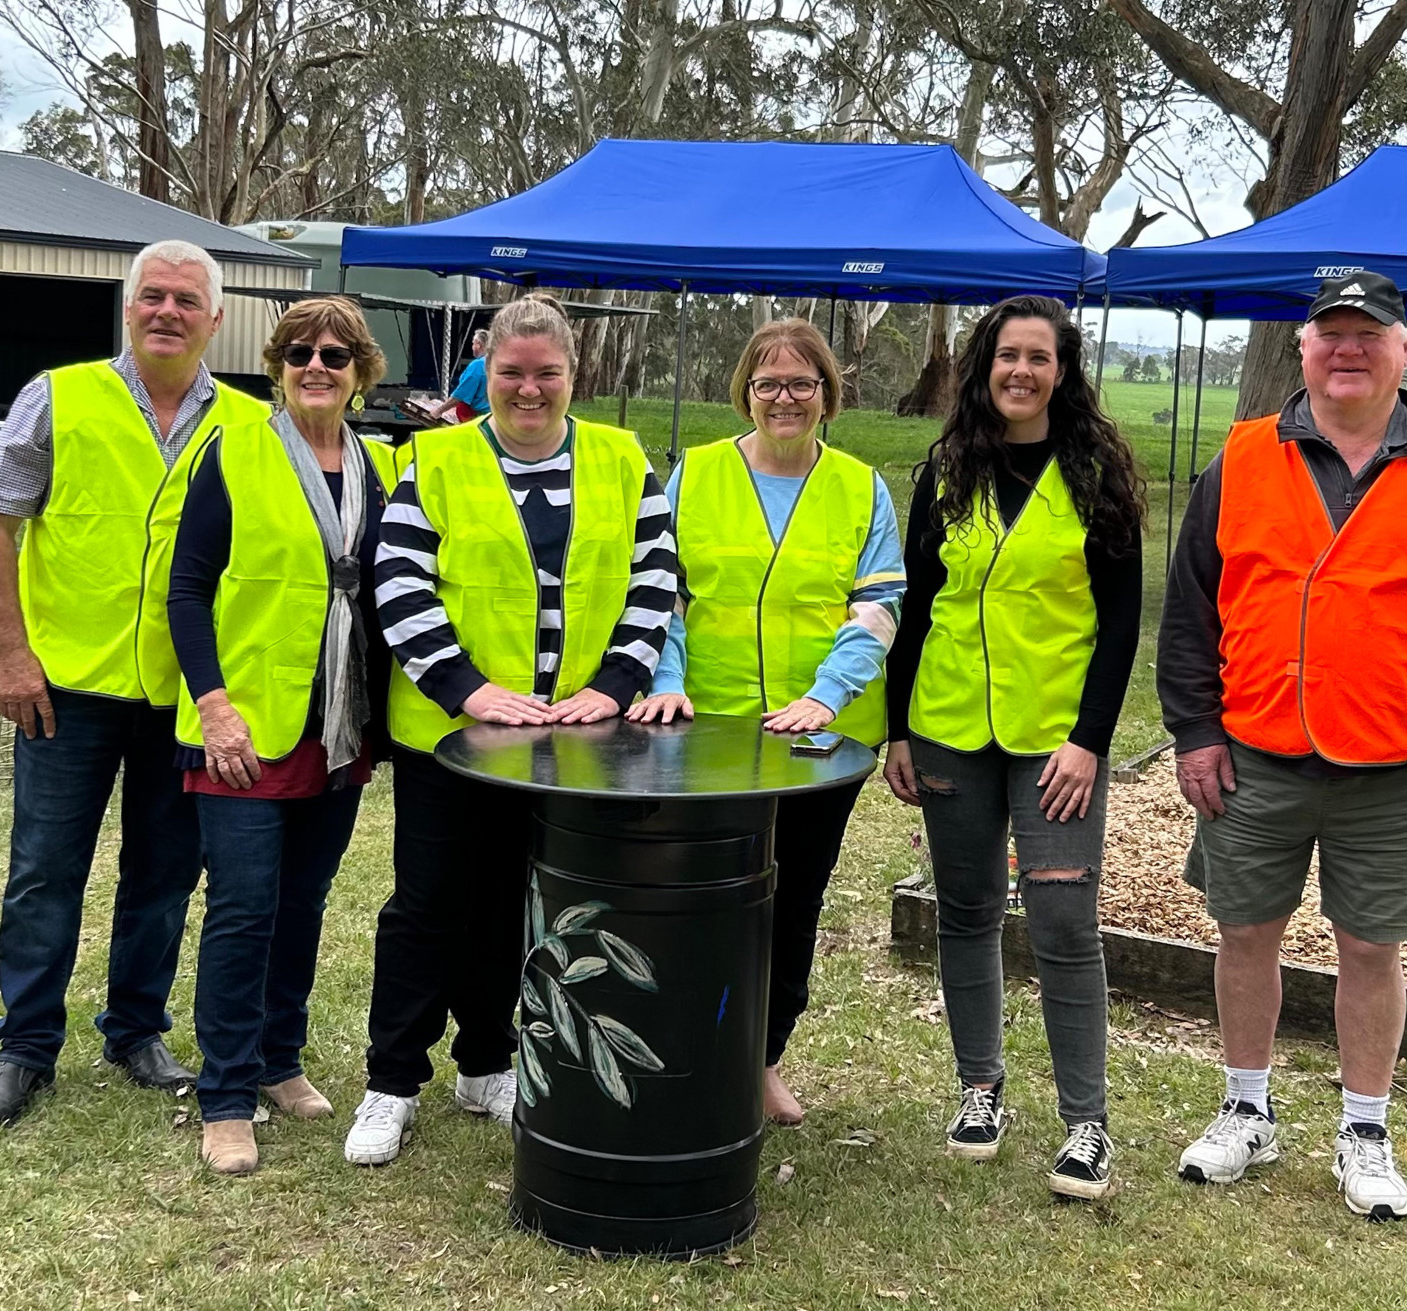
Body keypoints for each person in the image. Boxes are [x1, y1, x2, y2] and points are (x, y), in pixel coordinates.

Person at [1158, 271, 1407, 1219]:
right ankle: (1246, 1107)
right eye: (1330, 335)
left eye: (1369, 334)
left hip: (1394, 765)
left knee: (1371, 946)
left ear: (1406, 351)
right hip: (1254, 753)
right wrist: (1193, 730)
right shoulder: (1239, 459)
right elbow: (1190, 607)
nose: (1347, 349)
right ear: (1302, 349)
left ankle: (1365, 1129)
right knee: (1245, 934)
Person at [346, 293, 677, 1165]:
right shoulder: (438, 457)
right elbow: (399, 581)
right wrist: (468, 688)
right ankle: (390, 1081)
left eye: (547, 374)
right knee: (428, 905)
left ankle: (487, 1060)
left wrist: (614, 684)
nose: (528, 390)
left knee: (518, 905)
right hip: (450, 738)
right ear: (484, 372)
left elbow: (653, 577)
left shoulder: (621, 457)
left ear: (575, 373)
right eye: (510, 374)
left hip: (566, 739)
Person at [0, 240, 270, 1128]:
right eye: (152, 296)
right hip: (69, 689)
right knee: (44, 870)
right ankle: (25, 1047)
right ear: (128, 309)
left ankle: (135, 1030)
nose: (167, 311)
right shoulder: (59, 397)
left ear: (216, 320)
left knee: (164, 873)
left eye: (187, 300)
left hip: (183, 696)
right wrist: (12, 656)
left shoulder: (248, 424)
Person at [882, 295, 1145, 1202]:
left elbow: (1119, 625)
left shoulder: (1098, 473)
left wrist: (1090, 742)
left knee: (1065, 926)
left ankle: (1086, 1124)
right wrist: (893, 727)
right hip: (949, 725)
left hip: (1054, 743)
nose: (1020, 372)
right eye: (1005, 356)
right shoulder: (947, 469)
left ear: (1063, 372)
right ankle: (980, 1089)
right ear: (982, 366)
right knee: (966, 911)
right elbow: (917, 606)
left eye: (1039, 357)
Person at [625, 319, 904, 1128]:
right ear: (744, 389)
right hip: (705, 729)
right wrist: (667, 679)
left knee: (794, 899)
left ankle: (762, 1055)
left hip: (814, 739)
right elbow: (663, 590)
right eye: (768, 382)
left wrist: (827, 692)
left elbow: (879, 601)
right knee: (697, 895)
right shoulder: (697, 472)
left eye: (802, 383)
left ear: (827, 394)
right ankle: (686, 1045)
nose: (785, 397)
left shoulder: (861, 486)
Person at [166, 297, 402, 1174]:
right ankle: (224, 1091)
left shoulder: (381, 468)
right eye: (300, 351)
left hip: (336, 724)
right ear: (276, 363)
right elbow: (188, 590)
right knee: (243, 904)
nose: (317, 365)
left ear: (361, 370)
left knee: (302, 901)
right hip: (245, 723)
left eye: (336, 354)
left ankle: (277, 1057)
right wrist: (215, 704)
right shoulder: (233, 453)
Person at [430, 329, 490, 422]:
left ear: (478, 344)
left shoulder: (478, 365)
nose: (472, 347)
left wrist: (439, 411)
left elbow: (460, 395)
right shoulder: (497, 363)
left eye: (473, 343)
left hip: (481, 418)